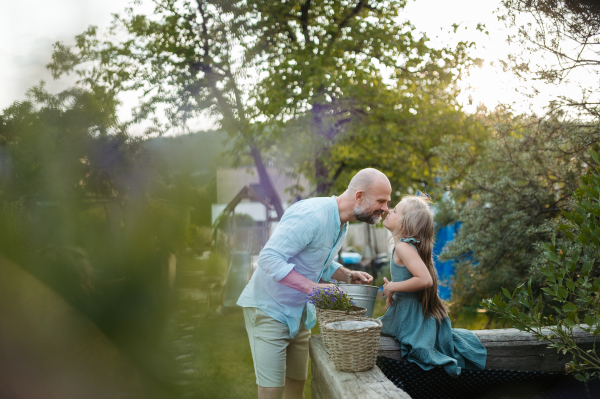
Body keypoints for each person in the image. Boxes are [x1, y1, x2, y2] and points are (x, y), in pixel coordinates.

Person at [237, 168, 391, 399]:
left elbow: (317, 261)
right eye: (381, 201)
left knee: (296, 390)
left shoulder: (342, 223)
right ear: (359, 196)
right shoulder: (312, 214)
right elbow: (269, 258)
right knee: (271, 392)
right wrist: (313, 288)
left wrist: (347, 274)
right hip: (269, 309)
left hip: (299, 314)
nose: (385, 209)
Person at [380, 195, 487, 376]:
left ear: (405, 224)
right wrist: (394, 286)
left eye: (395, 210)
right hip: (411, 313)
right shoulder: (405, 246)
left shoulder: (403, 247)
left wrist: (392, 287)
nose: (389, 211)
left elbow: (425, 280)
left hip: (413, 319)